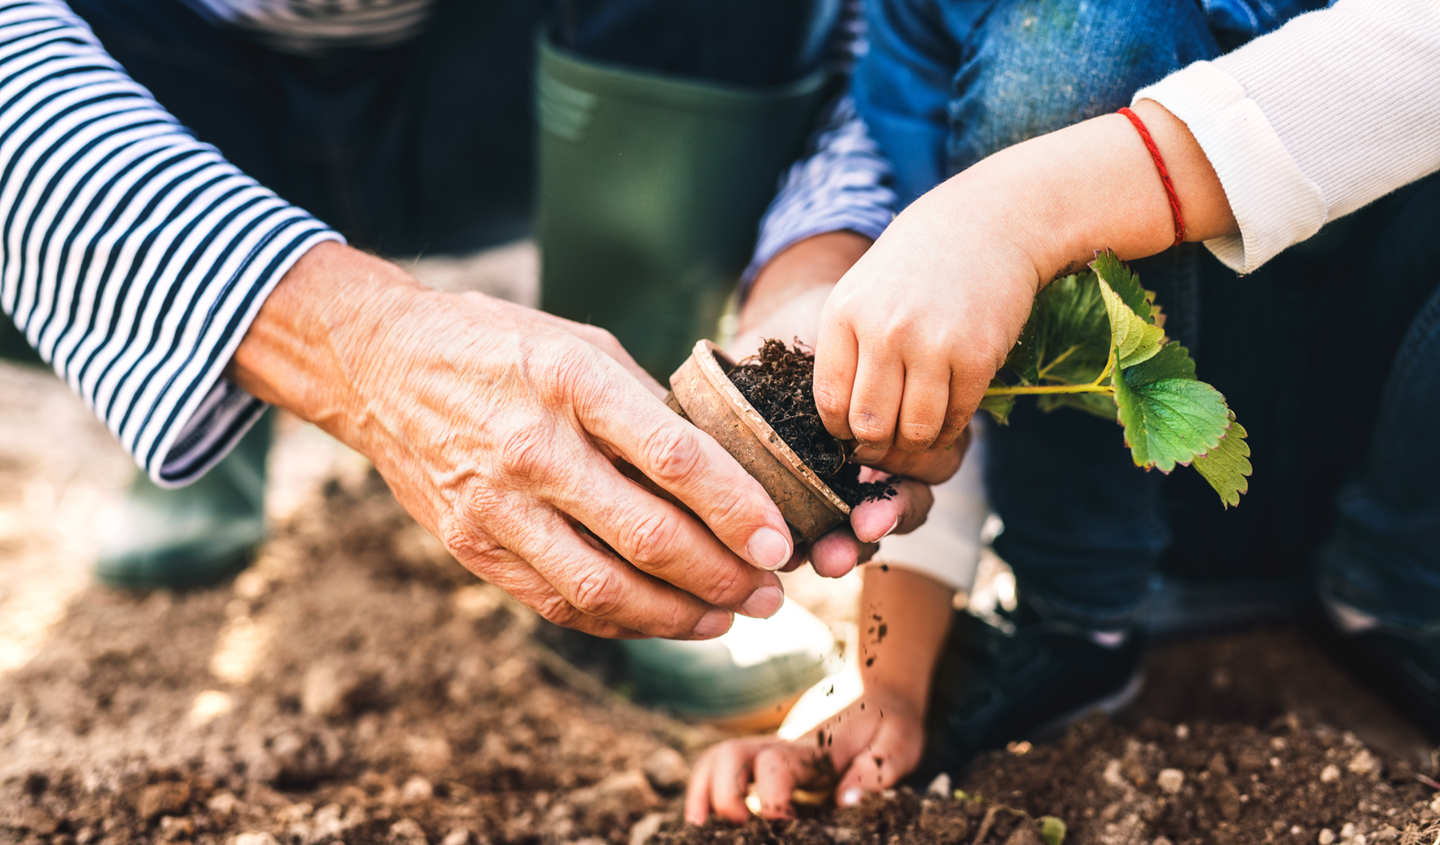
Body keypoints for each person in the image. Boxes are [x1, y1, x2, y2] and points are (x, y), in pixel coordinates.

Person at [685, 0, 1440, 821]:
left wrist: (1023, 209)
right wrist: (888, 680)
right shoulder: (921, 22)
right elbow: (930, 323)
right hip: (1144, 506)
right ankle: (1081, 617)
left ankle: (1401, 587)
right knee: (1071, 37)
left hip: (1400, 423)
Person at [0, 0, 951, 640]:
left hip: (506, 80)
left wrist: (814, 261)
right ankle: (203, 391)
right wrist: (347, 339)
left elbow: (878, 32)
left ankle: (641, 468)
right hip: (148, 69)